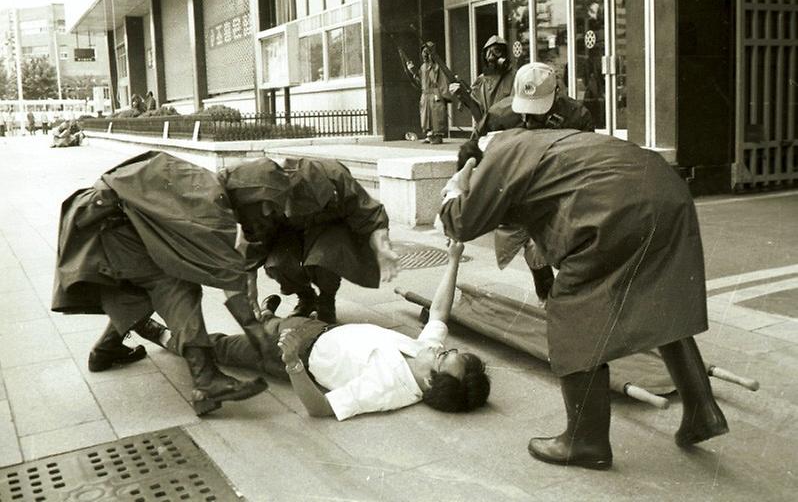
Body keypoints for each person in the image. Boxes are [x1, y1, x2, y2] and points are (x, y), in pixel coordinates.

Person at [438, 129, 728, 469]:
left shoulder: (498, 157)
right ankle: (702, 411)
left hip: (616, 210)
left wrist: (456, 191)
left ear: (474, 165)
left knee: (571, 315)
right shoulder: (537, 143)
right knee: (657, 302)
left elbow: (460, 223)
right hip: (667, 192)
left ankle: (584, 440)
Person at [143, 241, 491, 420]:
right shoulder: (423, 354)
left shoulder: (388, 390)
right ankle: (266, 316)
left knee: (220, 347)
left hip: (292, 352)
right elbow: (440, 314)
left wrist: (293, 360)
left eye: (444, 356)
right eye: (448, 349)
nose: (441, 348)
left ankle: (161, 335)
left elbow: (321, 409)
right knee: (268, 323)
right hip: (317, 327)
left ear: (431, 382)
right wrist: (454, 259)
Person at [52, 151, 280, 415]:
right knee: (176, 286)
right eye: (265, 207)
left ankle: (105, 350)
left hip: (103, 217)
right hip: (105, 223)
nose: (266, 215)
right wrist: (257, 334)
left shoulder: (209, 186)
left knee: (145, 285)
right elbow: (228, 277)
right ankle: (206, 381)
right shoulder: (213, 207)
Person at [457, 62, 595, 302]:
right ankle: (547, 295)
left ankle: (572, 294)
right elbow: (473, 150)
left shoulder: (577, 115)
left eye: (538, 110)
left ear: (556, 94)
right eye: (525, 110)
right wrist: (466, 174)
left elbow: (589, 164)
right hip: (521, 189)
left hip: (562, 187)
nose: (529, 118)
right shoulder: (500, 115)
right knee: (533, 247)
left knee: (568, 246)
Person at [221, 157, 400, 325]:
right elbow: (255, 238)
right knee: (278, 264)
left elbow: (368, 211)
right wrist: (249, 286)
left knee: (323, 259)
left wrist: (382, 248)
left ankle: (326, 301)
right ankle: (306, 298)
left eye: (269, 205)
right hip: (289, 233)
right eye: (261, 207)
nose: (267, 212)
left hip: (330, 227)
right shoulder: (255, 206)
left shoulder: (330, 175)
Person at [449, 35, 516, 133]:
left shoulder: (515, 77)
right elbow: (477, 112)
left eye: (496, 50)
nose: (491, 56)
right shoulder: (481, 80)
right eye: (488, 52)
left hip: (506, 132)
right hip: (485, 132)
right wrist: (463, 95)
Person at [406, 45, 451, 144]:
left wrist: (443, 95)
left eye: (427, 52)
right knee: (425, 115)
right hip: (425, 95)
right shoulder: (423, 67)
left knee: (436, 115)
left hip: (435, 94)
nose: (424, 55)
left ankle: (437, 135)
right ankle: (429, 134)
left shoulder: (438, 66)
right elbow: (421, 81)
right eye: (423, 52)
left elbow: (442, 81)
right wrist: (412, 70)